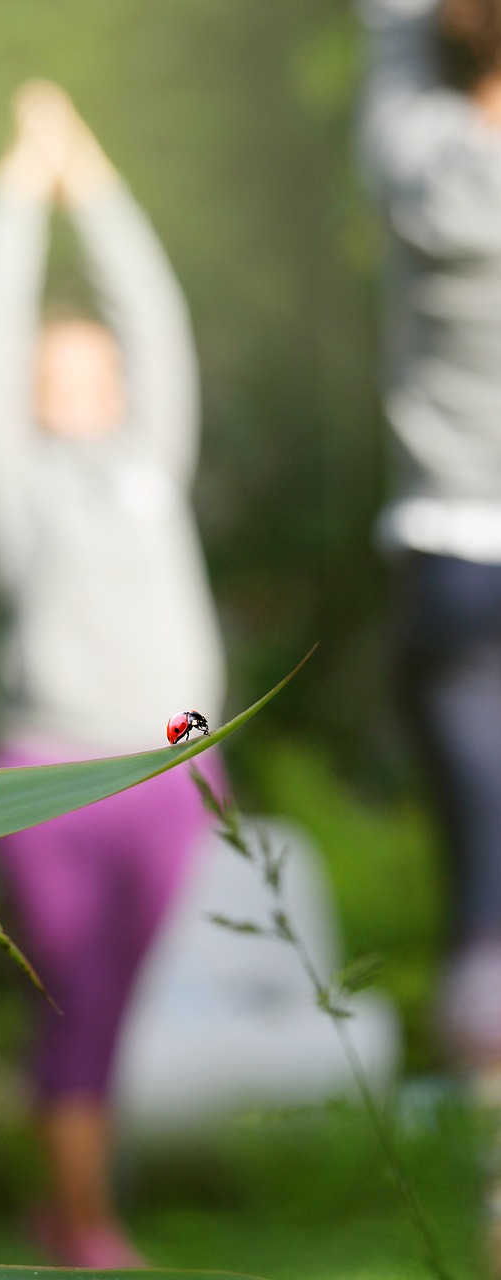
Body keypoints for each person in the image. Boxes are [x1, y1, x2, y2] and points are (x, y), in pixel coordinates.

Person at [0, 81, 228, 1269]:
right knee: (72, 994)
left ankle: (65, 1201)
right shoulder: (12, 491)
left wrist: (92, 179)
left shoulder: (149, 465)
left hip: (167, 758)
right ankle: (85, 1225)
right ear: (25, 396)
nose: (77, 393)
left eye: (93, 373)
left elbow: (154, 314)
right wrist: (17, 196)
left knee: (104, 999)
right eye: (51, 377)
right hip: (47, 770)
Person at [358, 0, 501, 1266]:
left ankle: (497, 1188)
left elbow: (391, 36)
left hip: (451, 555)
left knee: (483, 890)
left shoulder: (415, 158)